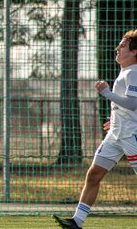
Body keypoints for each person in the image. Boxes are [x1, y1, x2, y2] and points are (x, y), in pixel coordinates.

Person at [52, 29, 137, 229]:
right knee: (94, 174)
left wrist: (106, 92)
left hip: (131, 136)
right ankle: (77, 222)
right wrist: (116, 118)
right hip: (116, 135)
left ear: (134, 52)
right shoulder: (126, 72)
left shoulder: (133, 72)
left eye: (123, 45)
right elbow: (127, 106)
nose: (117, 48)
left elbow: (133, 104)